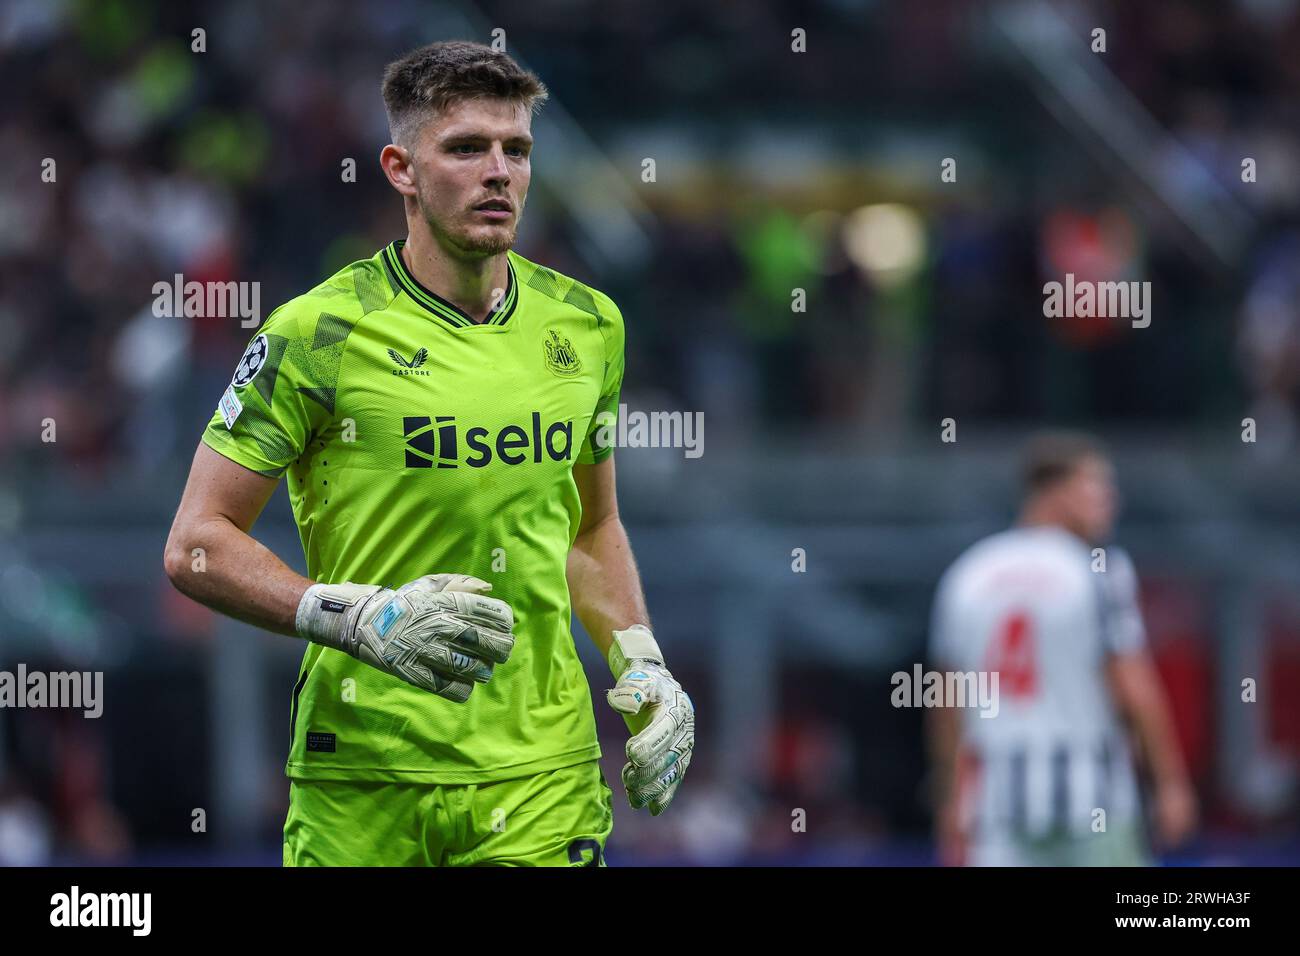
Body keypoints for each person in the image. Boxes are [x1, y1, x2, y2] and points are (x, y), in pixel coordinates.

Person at [164, 40, 694, 866]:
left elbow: (591, 531)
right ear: (401, 169)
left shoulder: (588, 325)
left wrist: (647, 665)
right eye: (466, 147)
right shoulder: (317, 333)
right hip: (362, 781)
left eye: (516, 150)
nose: (499, 173)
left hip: (540, 777)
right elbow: (197, 544)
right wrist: (361, 618)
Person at [927, 432, 1195, 866]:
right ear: (1055, 492)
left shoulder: (968, 573)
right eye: (1097, 487)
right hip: (1093, 798)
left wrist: (949, 798)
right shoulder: (1098, 570)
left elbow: (946, 700)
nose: (1111, 501)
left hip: (998, 801)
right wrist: (1170, 782)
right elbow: (1133, 686)